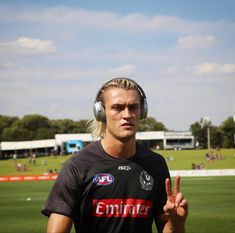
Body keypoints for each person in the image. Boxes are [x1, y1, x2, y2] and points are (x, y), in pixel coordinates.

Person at [41, 77, 188, 233]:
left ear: (142, 111)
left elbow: (168, 227)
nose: (127, 114)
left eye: (133, 107)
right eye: (117, 107)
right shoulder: (77, 166)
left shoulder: (156, 164)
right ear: (101, 113)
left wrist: (176, 222)